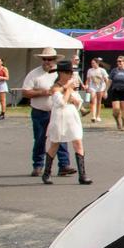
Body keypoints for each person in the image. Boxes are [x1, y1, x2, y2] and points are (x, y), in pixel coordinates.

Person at [21, 48, 75, 177]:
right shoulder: (34, 74)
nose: (47, 62)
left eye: (50, 59)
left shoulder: (60, 74)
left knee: (61, 138)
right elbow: (25, 92)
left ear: (54, 60)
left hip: (57, 111)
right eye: (45, 59)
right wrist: (43, 92)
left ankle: (64, 165)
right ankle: (38, 165)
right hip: (40, 111)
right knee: (40, 139)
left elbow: (69, 88)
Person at [40, 60, 93, 185]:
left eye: (71, 72)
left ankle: (82, 175)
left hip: (71, 116)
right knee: (55, 144)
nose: (70, 75)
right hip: (59, 117)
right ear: (61, 73)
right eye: (68, 72)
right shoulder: (55, 88)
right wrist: (68, 89)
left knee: (78, 142)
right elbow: (61, 103)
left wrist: (73, 97)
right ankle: (46, 173)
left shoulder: (71, 87)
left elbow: (78, 101)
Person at [85, 57, 109, 122]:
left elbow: (107, 80)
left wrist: (105, 90)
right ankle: (93, 116)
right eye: (91, 63)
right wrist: (86, 85)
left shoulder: (102, 70)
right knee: (93, 100)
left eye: (93, 63)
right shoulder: (90, 70)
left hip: (101, 87)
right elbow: (88, 79)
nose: (92, 64)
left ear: (97, 63)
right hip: (92, 87)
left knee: (99, 101)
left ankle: (98, 116)